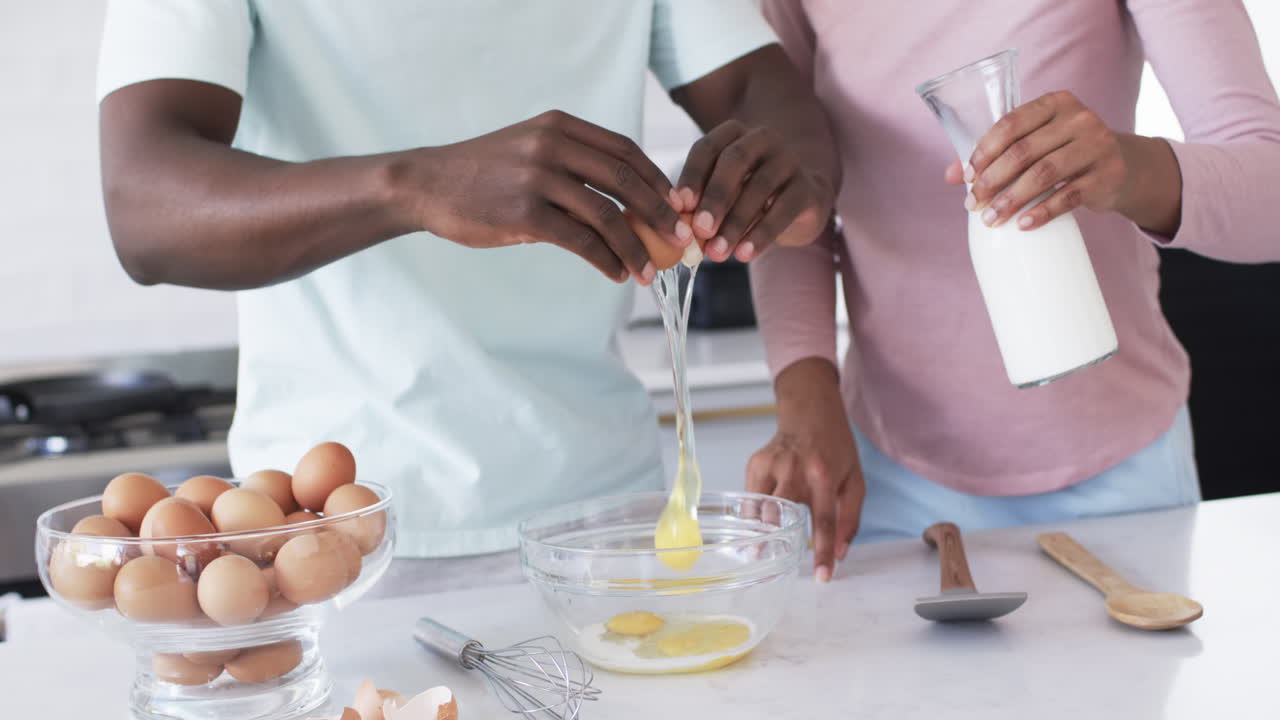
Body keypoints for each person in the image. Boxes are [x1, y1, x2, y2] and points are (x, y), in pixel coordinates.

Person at [96, 1, 840, 557]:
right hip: (324, 533)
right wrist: (416, 187)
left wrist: (778, 173)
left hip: (607, 526)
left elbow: (756, 89)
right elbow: (144, 203)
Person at [749, 0, 1280, 581]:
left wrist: (1126, 166)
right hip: (891, 477)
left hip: (1121, 474)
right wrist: (805, 396)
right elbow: (789, 200)